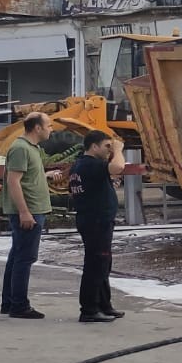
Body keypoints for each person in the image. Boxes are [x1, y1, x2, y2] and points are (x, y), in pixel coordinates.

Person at [0, 112, 53, 319]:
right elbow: (13, 181)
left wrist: (44, 176)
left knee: (17, 257)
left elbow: (25, 177)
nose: (51, 128)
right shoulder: (20, 148)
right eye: (48, 125)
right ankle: (19, 306)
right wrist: (24, 212)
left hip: (32, 210)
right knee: (24, 258)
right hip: (29, 212)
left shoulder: (32, 148)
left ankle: (9, 302)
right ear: (37, 128)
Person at [69, 130, 126, 323]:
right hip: (95, 221)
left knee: (103, 264)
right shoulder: (88, 165)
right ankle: (89, 309)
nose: (109, 149)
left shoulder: (82, 165)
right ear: (94, 146)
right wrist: (118, 149)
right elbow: (118, 166)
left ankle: (104, 305)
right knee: (95, 264)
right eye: (106, 146)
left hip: (97, 220)